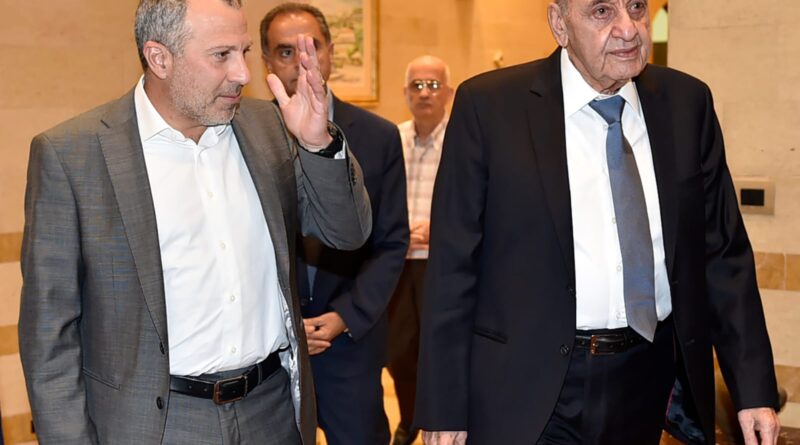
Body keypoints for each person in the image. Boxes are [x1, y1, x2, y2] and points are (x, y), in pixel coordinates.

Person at [415, 1, 781, 444]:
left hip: (645, 381)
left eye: (636, 7)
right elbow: (452, 269)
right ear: (560, 24)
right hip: (526, 385)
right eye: (602, 11)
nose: (628, 29)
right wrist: (444, 407)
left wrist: (753, 389)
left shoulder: (687, 103)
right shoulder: (489, 107)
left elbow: (724, 257)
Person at [18, 0, 372, 443]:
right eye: (221, 55)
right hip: (158, 425)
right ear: (159, 58)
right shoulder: (74, 155)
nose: (242, 73)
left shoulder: (268, 127)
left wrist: (318, 144)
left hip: (271, 412)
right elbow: (50, 335)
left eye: (244, 51)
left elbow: (347, 232)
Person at [260, 4, 409, 445]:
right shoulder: (247, 135)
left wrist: (345, 315)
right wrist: (286, 321)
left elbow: (391, 242)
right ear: (266, 61)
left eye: (311, 48)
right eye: (285, 52)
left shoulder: (379, 135)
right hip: (272, 350)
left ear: (329, 53)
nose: (300, 61)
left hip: (350, 345)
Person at [385, 55, 452, 445]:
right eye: (417, 85)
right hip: (397, 264)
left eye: (433, 85)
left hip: (442, 266)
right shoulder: (392, 138)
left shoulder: (461, 139)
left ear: (449, 93)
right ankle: (409, 420)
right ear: (406, 93)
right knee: (399, 353)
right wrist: (397, 232)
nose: (425, 93)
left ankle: (441, 420)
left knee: (439, 350)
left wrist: (438, 230)